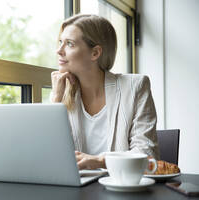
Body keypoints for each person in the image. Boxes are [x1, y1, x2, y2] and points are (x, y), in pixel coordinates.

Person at [51, 14, 159, 170]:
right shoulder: (61, 93)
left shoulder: (135, 87)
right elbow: (51, 156)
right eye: (60, 42)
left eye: (69, 44)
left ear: (95, 53)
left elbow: (147, 154)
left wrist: (101, 160)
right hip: (78, 189)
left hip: (122, 188)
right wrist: (56, 100)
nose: (59, 51)